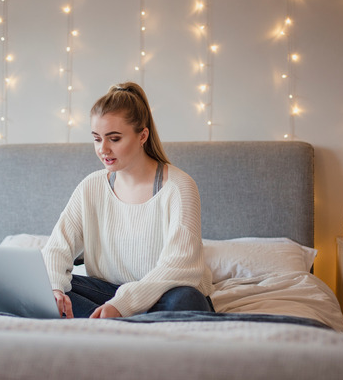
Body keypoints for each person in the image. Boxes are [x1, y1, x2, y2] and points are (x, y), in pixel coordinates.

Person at [42, 82, 214, 319]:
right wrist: (54, 288)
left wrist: (123, 305)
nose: (103, 149)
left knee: (187, 300)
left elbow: (180, 265)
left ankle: (105, 323)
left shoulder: (178, 187)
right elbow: (57, 247)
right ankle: (120, 325)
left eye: (114, 139)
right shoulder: (91, 186)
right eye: (96, 139)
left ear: (143, 135)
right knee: (40, 286)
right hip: (108, 293)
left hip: (164, 294)